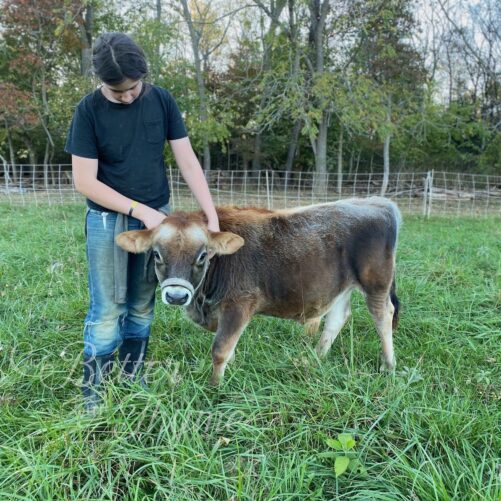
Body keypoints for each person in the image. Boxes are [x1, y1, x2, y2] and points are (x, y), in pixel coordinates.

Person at [65, 32, 219, 412]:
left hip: (159, 220)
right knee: (108, 307)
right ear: (100, 81)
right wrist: (138, 210)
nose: (129, 96)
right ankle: (94, 392)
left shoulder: (162, 100)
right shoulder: (88, 111)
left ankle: (133, 376)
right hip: (108, 220)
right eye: (119, 92)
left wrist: (210, 213)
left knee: (141, 302)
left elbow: (186, 160)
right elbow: (84, 181)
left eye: (134, 88)